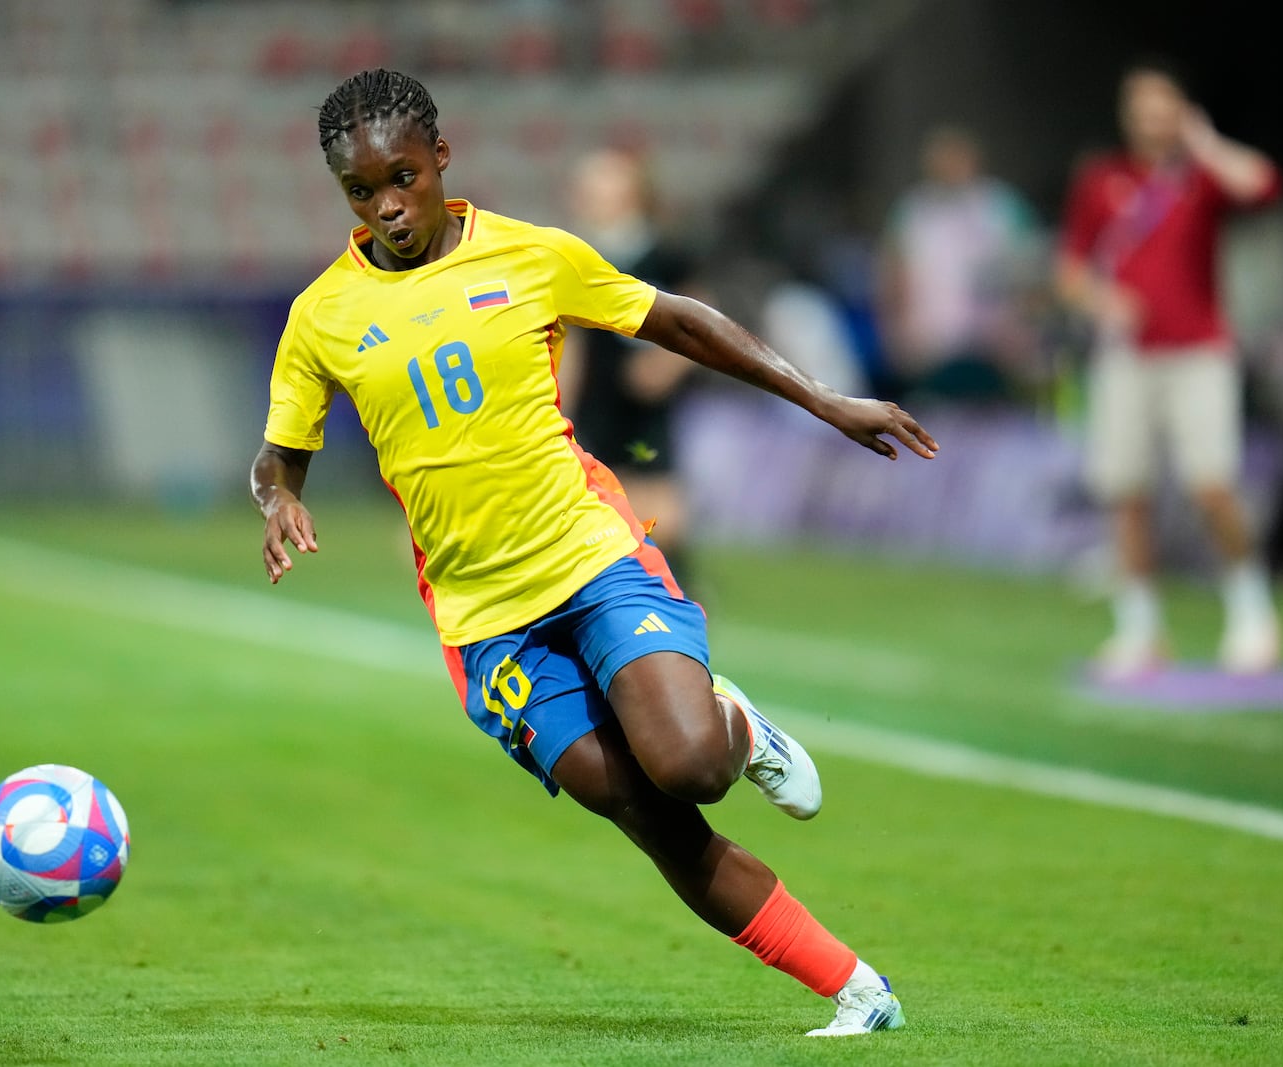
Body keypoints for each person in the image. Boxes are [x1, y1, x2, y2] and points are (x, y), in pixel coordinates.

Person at [251, 69, 937, 1038]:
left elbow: (678, 320)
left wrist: (822, 396)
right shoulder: (320, 315)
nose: (388, 205)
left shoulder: (535, 256)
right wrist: (279, 495)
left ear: (441, 158)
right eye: (362, 192)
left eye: (402, 177)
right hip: (485, 622)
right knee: (649, 815)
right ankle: (858, 989)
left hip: (588, 555)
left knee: (690, 764)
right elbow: (281, 452)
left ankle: (732, 725)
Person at [1055, 59, 1283, 678]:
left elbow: (1262, 185)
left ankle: (1252, 613)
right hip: (1126, 357)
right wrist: (1106, 301)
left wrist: (1205, 145)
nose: (1154, 119)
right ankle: (1140, 629)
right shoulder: (1102, 180)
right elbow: (1070, 271)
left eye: (1165, 106)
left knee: (1212, 483)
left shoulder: (1200, 177)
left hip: (1198, 351)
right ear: (1128, 116)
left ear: (1180, 111)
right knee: (1125, 491)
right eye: (1143, 106)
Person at [557, 147, 698, 589]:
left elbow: (700, 314)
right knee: (602, 512)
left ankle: (678, 589)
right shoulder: (573, 257)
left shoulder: (664, 255)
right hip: (596, 403)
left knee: (662, 516)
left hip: (643, 410)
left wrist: (666, 364)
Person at [878, 125, 1042, 405]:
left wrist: (1025, 333)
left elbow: (1032, 270)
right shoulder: (913, 211)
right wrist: (895, 335)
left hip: (995, 343)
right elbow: (893, 275)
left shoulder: (1003, 206)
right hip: (932, 344)